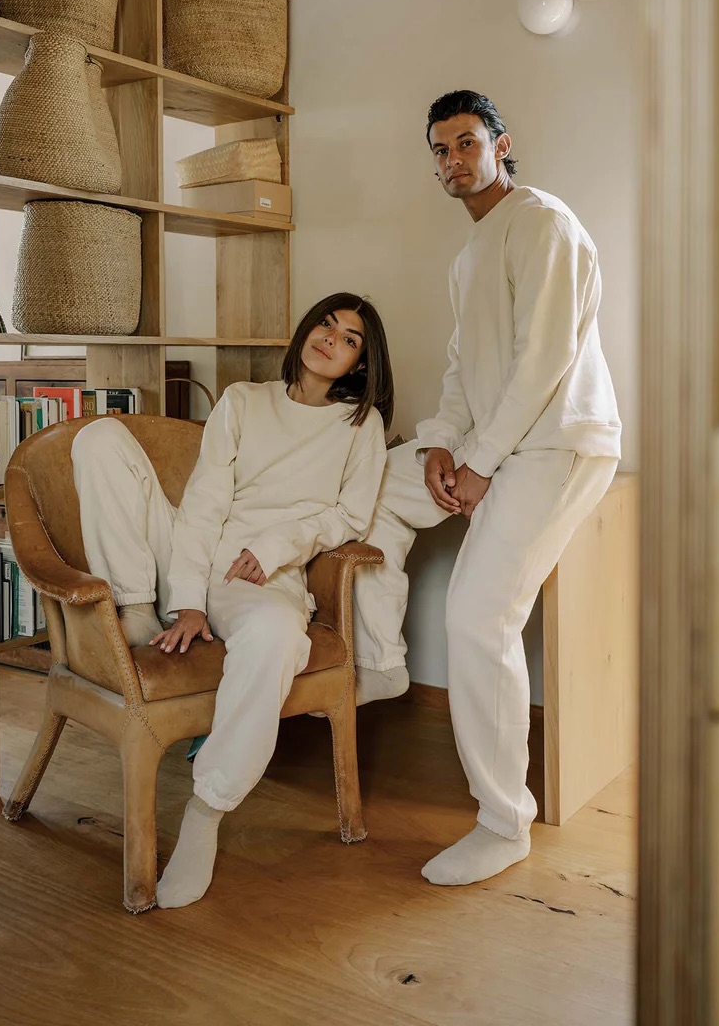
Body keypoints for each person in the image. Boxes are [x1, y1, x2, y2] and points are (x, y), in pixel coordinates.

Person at [352, 90, 621, 886]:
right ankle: (379, 656)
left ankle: (504, 823)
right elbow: (465, 375)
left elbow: (543, 363)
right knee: (378, 477)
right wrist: (439, 447)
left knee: (474, 615)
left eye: (466, 143)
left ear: (502, 145)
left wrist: (479, 463)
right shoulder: (469, 257)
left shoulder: (542, 222)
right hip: (502, 446)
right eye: (440, 150)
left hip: (559, 445)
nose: (452, 160)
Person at [70, 292, 393, 908]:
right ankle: (138, 607)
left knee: (276, 637)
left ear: (359, 362)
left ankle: (206, 811)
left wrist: (275, 546)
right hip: (189, 558)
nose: (331, 338)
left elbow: (347, 515)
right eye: (326, 324)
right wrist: (186, 600)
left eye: (350, 338)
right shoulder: (243, 401)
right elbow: (204, 504)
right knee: (100, 437)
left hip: (264, 580)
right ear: (306, 330)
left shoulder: (361, 425)